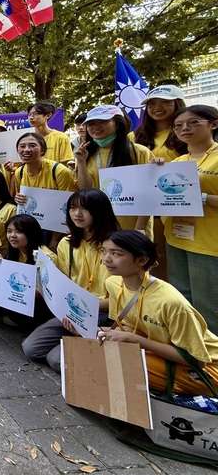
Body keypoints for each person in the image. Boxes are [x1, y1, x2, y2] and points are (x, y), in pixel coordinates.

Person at [87, 230, 218, 395]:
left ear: (142, 260)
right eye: (104, 251)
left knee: (120, 361)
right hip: (164, 354)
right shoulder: (113, 284)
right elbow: (133, 328)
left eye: (116, 253)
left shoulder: (170, 302)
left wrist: (135, 340)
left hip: (209, 367)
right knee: (101, 351)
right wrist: (96, 331)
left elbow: (197, 361)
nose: (106, 258)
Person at [21, 188, 119, 372]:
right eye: (72, 208)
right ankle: (80, 342)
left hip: (105, 312)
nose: (77, 214)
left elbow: (124, 296)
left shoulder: (116, 246)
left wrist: (89, 307)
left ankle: (92, 343)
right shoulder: (67, 243)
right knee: (31, 348)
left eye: (84, 209)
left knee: (56, 360)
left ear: (100, 211)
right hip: (73, 309)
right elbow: (63, 283)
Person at [160, 104, 218, 332]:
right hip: (176, 239)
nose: (185, 128)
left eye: (193, 122)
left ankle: (211, 353)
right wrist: (155, 172)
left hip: (208, 244)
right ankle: (190, 348)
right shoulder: (177, 162)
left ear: (214, 124)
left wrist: (201, 197)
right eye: (178, 125)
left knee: (209, 307)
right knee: (182, 300)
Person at [132, 85, 188, 280]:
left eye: (165, 102)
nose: (157, 107)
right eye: (152, 104)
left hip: (179, 206)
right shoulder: (134, 136)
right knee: (154, 256)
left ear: (178, 104)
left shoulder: (186, 134)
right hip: (146, 209)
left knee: (178, 259)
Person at [74, 105, 152, 234]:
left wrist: (139, 229)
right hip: (97, 225)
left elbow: (149, 193)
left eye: (103, 121)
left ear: (118, 123)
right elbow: (85, 190)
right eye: (91, 123)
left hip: (131, 226)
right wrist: (81, 162)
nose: (96, 127)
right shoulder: (84, 154)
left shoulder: (139, 152)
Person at [9, 131, 77, 250]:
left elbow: (67, 207)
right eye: (22, 146)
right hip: (32, 227)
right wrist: (19, 199)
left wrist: (54, 239)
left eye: (32, 145)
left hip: (56, 230)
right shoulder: (19, 172)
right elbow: (22, 199)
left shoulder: (60, 172)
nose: (26, 150)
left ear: (43, 150)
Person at [0, 213, 55, 327]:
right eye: (9, 231)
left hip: (43, 304)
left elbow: (45, 293)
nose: (12, 235)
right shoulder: (15, 251)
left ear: (32, 233)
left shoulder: (46, 257)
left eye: (19, 231)